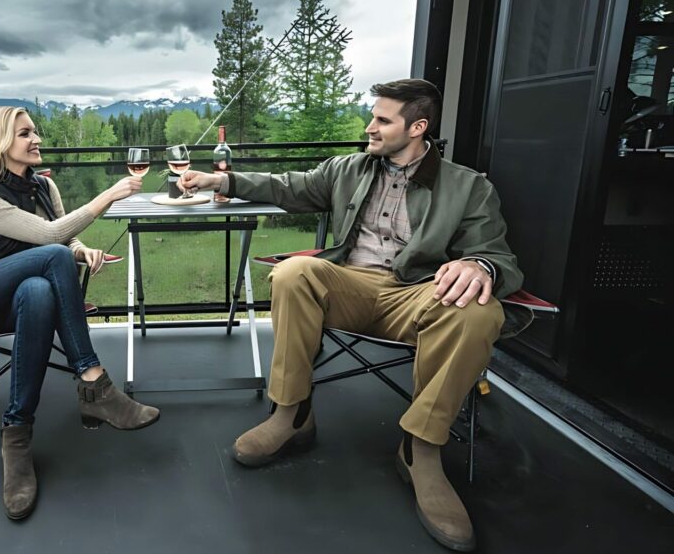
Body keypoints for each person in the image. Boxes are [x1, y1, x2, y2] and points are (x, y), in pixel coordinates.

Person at [178, 79, 522, 552]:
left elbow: (496, 255)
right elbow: (288, 187)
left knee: (479, 311)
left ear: (418, 127)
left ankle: (420, 449)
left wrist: (477, 264)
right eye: (373, 116)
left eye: (383, 119)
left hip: (417, 293)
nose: (370, 126)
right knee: (295, 272)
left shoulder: (468, 187)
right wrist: (224, 181)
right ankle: (292, 413)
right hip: (351, 285)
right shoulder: (349, 169)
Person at [0, 106, 160, 521]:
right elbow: (48, 237)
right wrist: (107, 196)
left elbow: (62, 242)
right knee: (52, 256)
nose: (36, 139)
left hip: (25, 295)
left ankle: (16, 437)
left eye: (35, 131)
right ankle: (94, 382)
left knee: (40, 290)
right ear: (0, 143)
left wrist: (81, 249)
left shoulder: (43, 188)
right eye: (25, 134)